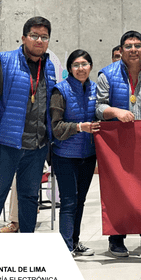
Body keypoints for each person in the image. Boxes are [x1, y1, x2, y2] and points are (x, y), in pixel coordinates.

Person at [0, 16, 57, 233]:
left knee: (30, 198)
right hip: (6, 145)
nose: (39, 40)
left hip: (36, 146)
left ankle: (26, 246)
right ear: (23, 38)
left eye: (44, 37)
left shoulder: (49, 66)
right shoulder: (4, 61)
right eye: (34, 36)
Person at [96, 30, 141, 257]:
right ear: (121, 50)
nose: (133, 49)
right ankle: (117, 238)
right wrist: (115, 111)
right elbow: (98, 107)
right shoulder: (107, 74)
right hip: (119, 142)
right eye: (128, 46)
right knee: (120, 191)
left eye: (137, 45)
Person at [51, 49, 99, 256]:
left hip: (88, 156)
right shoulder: (59, 90)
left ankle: (75, 242)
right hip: (64, 156)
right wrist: (80, 127)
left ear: (90, 66)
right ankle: (65, 245)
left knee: (80, 201)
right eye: (76, 65)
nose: (81, 68)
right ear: (70, 69)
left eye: (85, 64)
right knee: (69, 201)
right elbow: (56, 127)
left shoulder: (96, 89)